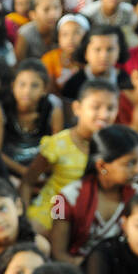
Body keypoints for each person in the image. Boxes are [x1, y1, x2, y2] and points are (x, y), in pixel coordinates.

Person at [22, 78, 120, 231]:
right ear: (77, 108)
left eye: (111, 108)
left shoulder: (117, 147)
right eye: (96, 107)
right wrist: (24, 221)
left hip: (92, 215)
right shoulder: (58, 144)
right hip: (55, 211)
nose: (104, 115)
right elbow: (27, 182)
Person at [49, 124, 138, 265]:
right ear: (102, 166)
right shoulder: (63, 199)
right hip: (77, 269)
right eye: (130, 163)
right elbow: (58, 253)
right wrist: (93, 269)